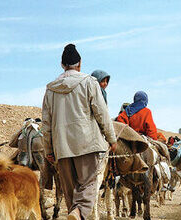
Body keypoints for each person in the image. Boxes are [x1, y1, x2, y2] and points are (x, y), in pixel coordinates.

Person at [42, 44, 117, 220]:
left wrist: (49, 150)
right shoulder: (89, 82)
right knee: (89, 185)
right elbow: (101, 112)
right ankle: (77, 212)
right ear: (80, 64)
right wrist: (111, 138)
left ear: (62, 64)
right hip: (87, 145)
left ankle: (73, 212)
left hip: (62, 148)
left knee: (70, 193)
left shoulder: (51, 89)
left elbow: (46, 123)